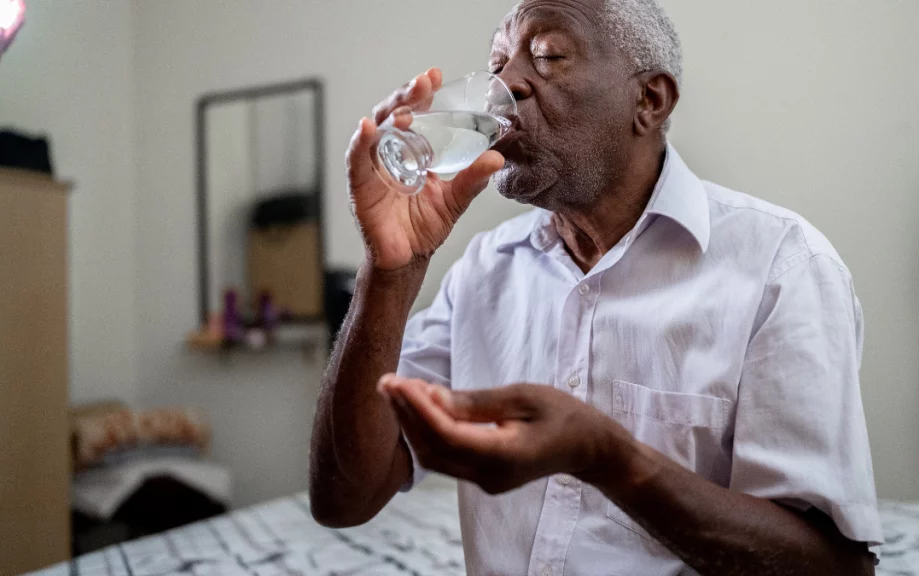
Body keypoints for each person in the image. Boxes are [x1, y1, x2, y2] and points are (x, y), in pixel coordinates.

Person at [310, 0, 882, 574]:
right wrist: (391, 270)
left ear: (649, 101)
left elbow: (837, 567)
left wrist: (608, 458)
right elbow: (343, 499)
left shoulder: (781, 267)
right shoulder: (484, 270)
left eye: (549, 56)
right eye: (499, 62)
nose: (506, 84)